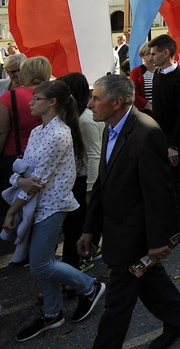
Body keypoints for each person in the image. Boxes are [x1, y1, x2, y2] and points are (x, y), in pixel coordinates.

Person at [79, 75, 180, 348]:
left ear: (117, 102)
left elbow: (159, 194)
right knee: (149, 280)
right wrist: (89, 228)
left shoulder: (147, 133)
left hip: (135, 236)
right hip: (118, 231)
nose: (90, 103)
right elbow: (103, 185)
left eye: (96, 98)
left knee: (118, 302)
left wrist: (157, 242)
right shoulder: (109, 126)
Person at [3, 80, 105, 342]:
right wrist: (19, 180)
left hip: (51, 206)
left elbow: (36, 181)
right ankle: (52, 312)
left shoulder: (60, 134)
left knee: (39, 264)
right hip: (36, 205)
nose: (30, 102)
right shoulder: (38, 131)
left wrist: (11, 211)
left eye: (36, 98)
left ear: (52, 102)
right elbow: (23, 169)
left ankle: (89, 286)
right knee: (42, 262)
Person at [57, 72, 104, 273]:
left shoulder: (84, 120)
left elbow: (94, 155)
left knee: (76, 227)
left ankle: (80, 262)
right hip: (82, 179)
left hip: (84, 180)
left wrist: (90, 189)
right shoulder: (81, 117)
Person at [149, 35, 180, 232]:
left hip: (176, 141)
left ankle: (178, 224)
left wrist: (174, 145)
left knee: (178, 183)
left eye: (153, 54)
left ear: (166, 53)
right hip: (160, 139)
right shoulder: (157, 74)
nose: (151, 58)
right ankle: (166, 219)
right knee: (163, 183)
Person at [0, 56, 48, 223]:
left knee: (13, 206)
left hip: (16, 158)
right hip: (46, 159)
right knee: (41, 208)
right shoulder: (54, 96)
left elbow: (2, 131)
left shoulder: (10, 97)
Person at [130, 43, 156, 114]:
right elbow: (134, 94)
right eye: (149, 54)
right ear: (143, 56)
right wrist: (150, 107)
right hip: (145, 112)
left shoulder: (162, 70)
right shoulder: (137, 71)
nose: (152, 57)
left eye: (154, 54)